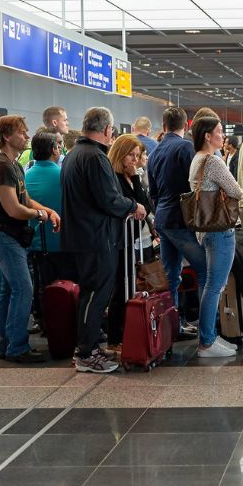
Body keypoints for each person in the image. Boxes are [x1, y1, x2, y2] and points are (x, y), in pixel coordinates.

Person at [61, 107, 142, 374]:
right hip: (97, 237)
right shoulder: (95, 157)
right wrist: (133, 206)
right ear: (107, 130)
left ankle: (90, 345)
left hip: (82, 235)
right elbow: (108, 199)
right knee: (96, 294)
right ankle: (86, 353)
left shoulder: (74, 154)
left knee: (91, 294)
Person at [0, 115, 61, 363]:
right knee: (23, 288)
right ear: (7, 136)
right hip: (5, 235)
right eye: (22, 132)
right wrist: (40, 213)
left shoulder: (14, 164)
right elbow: (13, 209)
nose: (27, 136)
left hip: (12, 235)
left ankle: (2, 344)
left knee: (10, 290)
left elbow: (25, 199)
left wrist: (47, 211)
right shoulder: (2, 166)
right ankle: (17, 347)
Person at [146, 107, 204, 338]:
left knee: (170, 274)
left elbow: (152, 191)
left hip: (163, 217)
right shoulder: (185, 147)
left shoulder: (155, 151)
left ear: (163, 124)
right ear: (187, 125)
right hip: (181, 219)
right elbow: (195, 184)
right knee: (206, 270)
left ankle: (171, 326)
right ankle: (211, 325)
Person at [188, 114, 242, 359]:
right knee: (215, 287)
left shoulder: (197, 159)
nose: (223, 135)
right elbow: (236, 191)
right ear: (208, 136)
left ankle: (209, 337)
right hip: (220, 231)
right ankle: (207, 341)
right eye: (219, 131)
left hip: (205, 231)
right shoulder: (213, 161)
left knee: (211, 285)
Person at [104, 133, 153, 355]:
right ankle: (114, 337)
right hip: (118, 239)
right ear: (120, 154)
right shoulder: (112, 177)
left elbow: (146, 205)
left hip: (131, 238)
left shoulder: (131, 176)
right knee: (119, 288)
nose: (135, 160)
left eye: (137, 155)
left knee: (130, 286)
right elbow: (122, 205)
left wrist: (136, 179)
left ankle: (125, 333)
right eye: (131, 155)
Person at [23, 130, 66, 293]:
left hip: (35, 242)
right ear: (54, 149)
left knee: (40, 286)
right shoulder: (63, 175)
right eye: (59, 145)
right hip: (60, 242)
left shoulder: (25, 176)